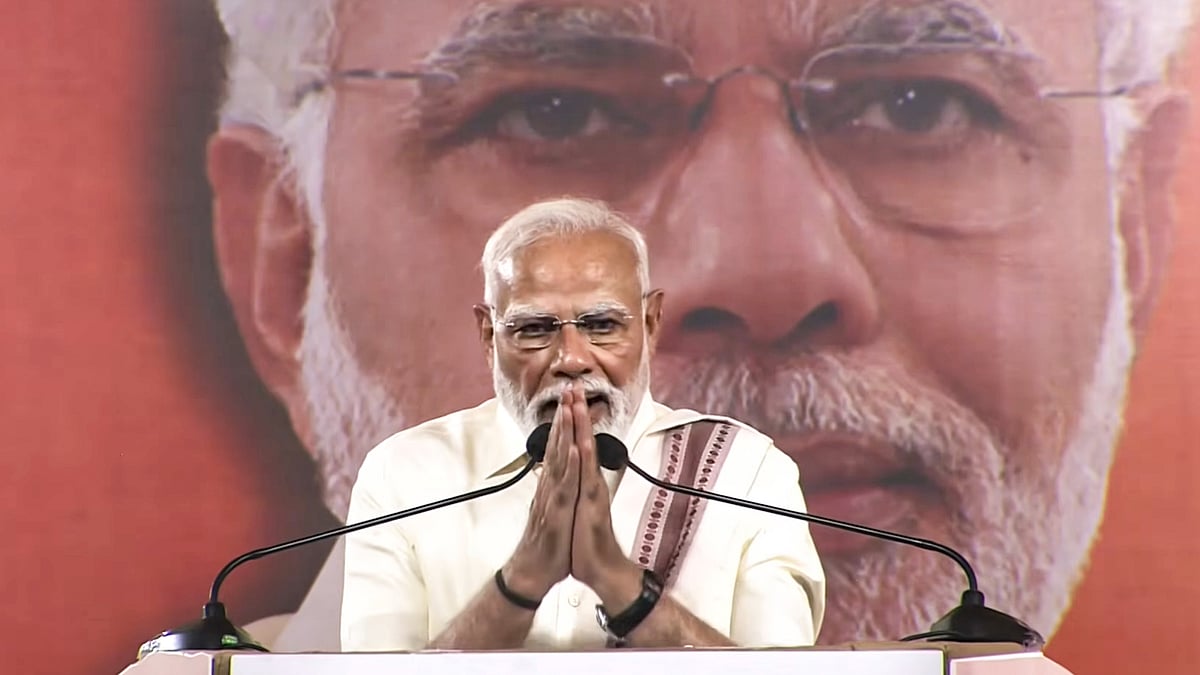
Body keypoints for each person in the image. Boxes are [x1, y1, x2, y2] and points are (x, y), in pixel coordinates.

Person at [206, 0, 1195, 650]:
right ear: (288, 272)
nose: (767, 269)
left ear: (1135, 232)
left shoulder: (752, 479)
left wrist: (602, 581)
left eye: (916, 106)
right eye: (556, 114)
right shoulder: (411, 492)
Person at [339, 198, 825, 650]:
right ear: (489, 335)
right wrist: (523, 580)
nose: (571, 359)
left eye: (602, 325)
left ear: (651, 323)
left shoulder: (744, 472)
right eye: (534, 329)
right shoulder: (404, 477)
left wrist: (619, 583)